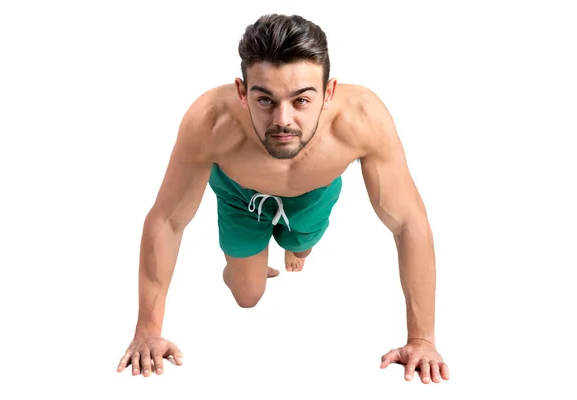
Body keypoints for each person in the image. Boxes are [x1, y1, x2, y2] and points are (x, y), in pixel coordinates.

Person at [116, 13, 449, 384]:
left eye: (302, 100)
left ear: (329, 92)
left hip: (314, 192)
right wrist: (148, 329)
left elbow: (408, 222)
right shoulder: (209, 121)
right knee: (247, 295)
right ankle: (253, 265)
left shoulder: (362, 118)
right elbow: (167, 220)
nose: (283, 120)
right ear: (243, 93)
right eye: (265, 100)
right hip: (240, 194)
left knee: (301, 247)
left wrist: (421, 338)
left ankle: (295, 247)